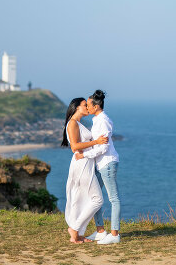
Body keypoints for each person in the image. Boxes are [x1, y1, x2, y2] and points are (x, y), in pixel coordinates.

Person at [75, 89, 121, 245]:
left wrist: (84, 155)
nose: (87, 107)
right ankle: (101, 231)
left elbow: (103, 148)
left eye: (88, 105)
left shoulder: (103, 120)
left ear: (96, 106)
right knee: (94, 197)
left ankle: (114, 234)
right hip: (100, 164)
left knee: (113, 199)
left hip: (107, 163)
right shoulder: (97, 120)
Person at [62, 97, 109, 244]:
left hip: (86, 163)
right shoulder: (73, 124)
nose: (87, 107)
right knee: (98, 200)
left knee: (82, 199)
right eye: (84, 105)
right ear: (76, 108)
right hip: (81, 164)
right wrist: (97, 141)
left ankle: (78, 234)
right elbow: (74, 147)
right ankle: (74, 229)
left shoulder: (78, 123)